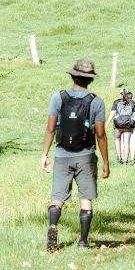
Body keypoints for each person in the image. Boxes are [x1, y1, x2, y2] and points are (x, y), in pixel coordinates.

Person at [42, 59, 109, 252]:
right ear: (91, 80)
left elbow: (50, 128)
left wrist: (45, 154)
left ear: (72, 76)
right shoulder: (96, 102)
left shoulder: (58, 98)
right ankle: (83, 241)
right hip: (86, 155)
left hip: (62, 154)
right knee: (85, 197)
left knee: (57, 197)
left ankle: (53, 229)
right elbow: (100, 134)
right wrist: (106, 162)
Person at [107, 88, 135, 164]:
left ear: (120, 94)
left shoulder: (116, 102)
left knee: (117, 139)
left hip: (118, 125)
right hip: (128, 125)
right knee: (127, 142)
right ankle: (126, 160)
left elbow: (112, 113)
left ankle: (119, 156)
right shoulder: (132, 102)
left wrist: (107, 124)